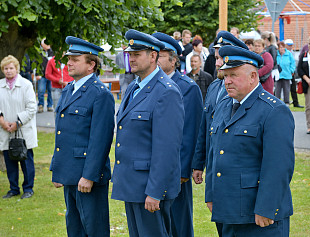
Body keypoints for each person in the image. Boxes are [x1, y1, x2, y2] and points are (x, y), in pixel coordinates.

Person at [207, 44, 295, 236]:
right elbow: (215, 152)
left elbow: (278, 166)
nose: (227, 81)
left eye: (234, 75)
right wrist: (211, 194)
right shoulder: (223, 106)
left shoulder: (273, 111)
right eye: (225, 75)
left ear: (253, 76)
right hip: (228, 209)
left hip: (259, 215)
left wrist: (266, 207)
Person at [111, 30, 185, 237]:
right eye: (129, 54)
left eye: (137, 54)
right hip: (133, 184)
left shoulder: (166, 91)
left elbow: (167, 149)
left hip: (149, 188)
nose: (131, 58)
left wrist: (155, 191)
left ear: (153, 56)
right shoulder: (135, 87)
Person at [50, 36, 115, 236]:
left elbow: (101, 139)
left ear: (91, 65)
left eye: (75, 59)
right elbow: (62, 133)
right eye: (69, 58)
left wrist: (89, 176)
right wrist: (57, 169)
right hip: (70, 173)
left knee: (94, 229)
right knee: (75, 229)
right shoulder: (69, 89)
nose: (68, 62)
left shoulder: (100, 93)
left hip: (88, 176)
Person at [191, 30, 249, 237]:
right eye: (216, 57)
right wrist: (199, 163)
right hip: (214, 167)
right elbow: (205, 127)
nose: (216, 63)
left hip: (235, 170)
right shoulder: (215, 86)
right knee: (219, 222)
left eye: (221, 58)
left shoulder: (246, 89)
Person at [153, 32, 203, 237]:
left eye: (161, 56)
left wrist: (184, 170)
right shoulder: (151, 85)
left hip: (176, 170)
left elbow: (191, 130)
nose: (155, 59)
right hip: (155, 167)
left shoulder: (187, 88)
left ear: (174, 61)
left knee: (179, 223)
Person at [0, 55, 37, 199]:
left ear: (17, 69)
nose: (8, 71)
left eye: (11, 68)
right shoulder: (0, 85)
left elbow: (32, 108)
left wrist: (17, 123)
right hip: (5, 130)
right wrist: (2, 121)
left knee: (26, 160)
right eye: (5, 68)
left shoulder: (26, 85)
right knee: (10, 162)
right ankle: (13, 189)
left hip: (23, 129)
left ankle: (28, 188)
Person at [285, 39, 304, 108]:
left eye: (291, 45)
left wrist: (292, 71)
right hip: (284, 73)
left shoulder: (292, 52)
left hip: (291, 73)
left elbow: (293, 63)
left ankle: (295, 102)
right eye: (289, 45)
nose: (290, 47)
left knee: (293, 88)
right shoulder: (283, 52)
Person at [37, 38, 54, 113]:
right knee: (41, 90)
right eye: (45, 43)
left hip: (51, 75)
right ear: (42, 44)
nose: (47, 45)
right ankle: (40, 105)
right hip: (42, 75)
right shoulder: (39, 53)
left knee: (51, 90)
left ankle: (50, 106)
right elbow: (36, 63)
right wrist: (37, 74)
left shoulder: (53, 52)